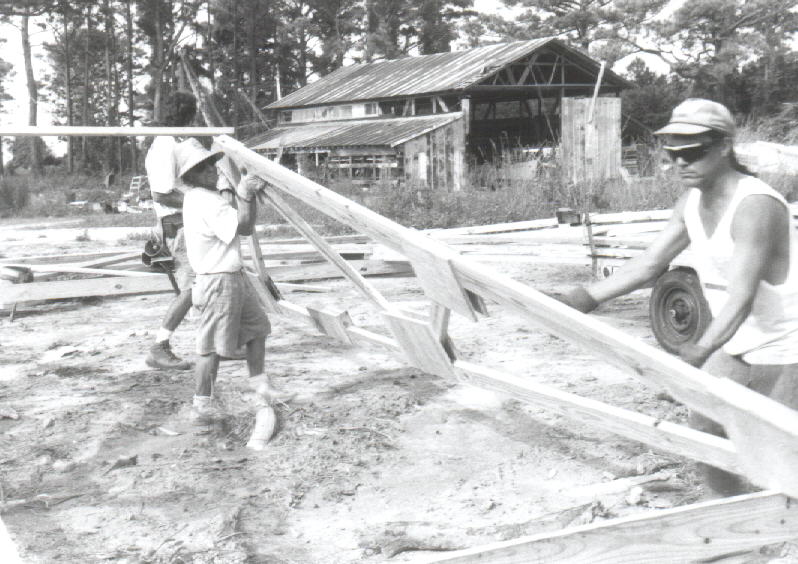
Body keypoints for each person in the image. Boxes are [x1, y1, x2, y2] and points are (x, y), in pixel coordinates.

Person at [556, 98, 798, 497]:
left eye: (693, 152)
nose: (681, 163)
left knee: (778, 448)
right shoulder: (692, 200)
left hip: (786, 342)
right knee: (705, 431)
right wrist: (582, 299)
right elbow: (651, 264)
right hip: (737, 339)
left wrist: (697, 351)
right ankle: (732, 519)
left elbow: (740, 299)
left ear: (723, 147)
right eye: (672, 154)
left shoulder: (755, 205)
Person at [174, 138, 294, 423]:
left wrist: (244, 195)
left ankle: (261, 389)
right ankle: (202, 404)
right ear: (192, 175)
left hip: (231, 277)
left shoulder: (202, 197)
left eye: (213, 166)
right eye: (206, 169)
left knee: (257, 329)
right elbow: (243, 226)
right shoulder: (205, 200)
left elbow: (243, 224)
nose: (214, 171)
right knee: (212, 346)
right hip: (218, 281)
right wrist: (245, 194)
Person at [144, 91, 199, 370]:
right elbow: (161, 194)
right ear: (187, 115)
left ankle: (225, 340)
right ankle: (159, 346)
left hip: (186, 221)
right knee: (193, 288)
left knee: (211, 282)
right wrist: (202, 201)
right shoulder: (165, 143)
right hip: (177, 224)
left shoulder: (173, 142)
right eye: (193, 114)